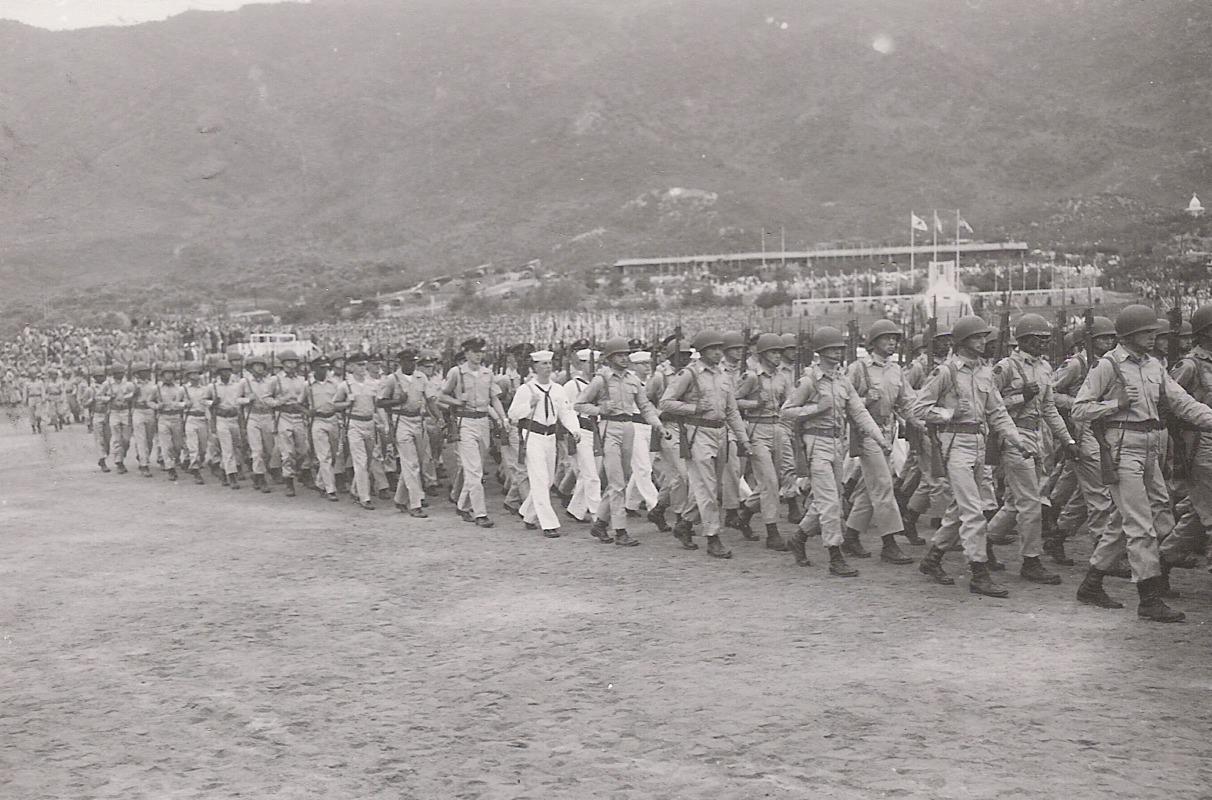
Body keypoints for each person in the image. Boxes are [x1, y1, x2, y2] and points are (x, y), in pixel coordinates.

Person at [1072, 304, 1212, 622]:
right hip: (1123, 450)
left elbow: (1183, 403)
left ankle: (1091, 583)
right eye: (1148, 332)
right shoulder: (1108, 366)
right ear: (1131, 335)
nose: (1154, 337)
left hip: (1150, 450)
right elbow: (1079, 409)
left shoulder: (1154, 366)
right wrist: (1113, 405)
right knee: (1141, 525)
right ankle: (1148, 598)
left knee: (1127, 522)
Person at [913, 315, 1035, 597]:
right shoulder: (946, 372)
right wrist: (946, 414)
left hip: (979, 443)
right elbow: (919, 409)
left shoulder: (985, 372)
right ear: (963, 342)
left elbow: (998, 412)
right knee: (973, 511)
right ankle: (978, 572)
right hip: (955, 443)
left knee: (960, 509)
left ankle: (932, 559)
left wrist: (1018, 442)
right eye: (977, 337)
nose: (984, 341)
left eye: (983, 336)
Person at [782, 326, 888, 577]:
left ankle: (799, 537)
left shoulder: (842, 380)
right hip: (816, 443)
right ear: (819, 352)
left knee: (829, 498)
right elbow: (786, 411)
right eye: (830, 349)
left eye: (839, 349)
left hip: (836, 444)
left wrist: (879, 438)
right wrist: (815, 409)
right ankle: (835, 554)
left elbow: (859, 412)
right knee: (830, 503)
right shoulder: (808, 381)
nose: (836, 353)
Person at [986, 313, 1079, 585]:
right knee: (1031, 502)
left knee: (1018, 502)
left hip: (1039, 436)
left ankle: (985, 541)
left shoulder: (1045, 368)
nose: (1044, 344)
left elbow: (1049, 409)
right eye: (1039, 340)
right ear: (1023, 340)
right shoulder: (1006, 367)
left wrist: (1067, 441)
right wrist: (1020, 397)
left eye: (1046, 340)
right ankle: (1031, 560)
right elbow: (992, 405)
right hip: (1013, 435)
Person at [659, 330, 747, 558]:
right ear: (702, 351)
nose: (718, 353)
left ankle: (685, 524)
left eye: (720, 348)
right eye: (712, 349)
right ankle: (712, 536)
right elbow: (666, 402)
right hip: (697, 432)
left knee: (713, 487)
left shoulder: (723, 375)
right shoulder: (689, 374)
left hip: (721, 433)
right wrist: (693, 408)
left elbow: (732, 411)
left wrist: (743, 438)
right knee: (706, 487)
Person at [843, 319, 919, 565]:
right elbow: (842, 401)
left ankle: (851, 535)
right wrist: (865, 399)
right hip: (866, 433)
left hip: (888, 430)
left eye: (895, 339)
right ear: (873, 342)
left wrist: (921, 422)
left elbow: (907, 402)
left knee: (869, 488)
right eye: (887, 338)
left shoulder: (896, 370)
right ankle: (889, 543)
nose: (892, 342)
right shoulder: (858, 369)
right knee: (884, 485)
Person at [581, 337, 669, 547]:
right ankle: (620, 530)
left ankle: (600, 523)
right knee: (617, 481)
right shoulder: (601, 380)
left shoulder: (632, 380)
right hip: (609, 427)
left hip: (629, 427)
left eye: (626, 354)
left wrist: (658, 425)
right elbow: (580, 404)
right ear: (610, 358)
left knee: (621, 479)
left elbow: (645, 406)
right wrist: (601, 409)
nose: (624, 358)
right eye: (619, 355)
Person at [508, 349, 583, 537]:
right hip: (533, 435)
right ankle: (548, 524)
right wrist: (529, 406)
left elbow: (566, 412)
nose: (547, 367)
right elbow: (513, 415)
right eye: (543, 364)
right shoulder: (526, 390)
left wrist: (574, 429)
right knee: (540, 479)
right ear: (534, 367)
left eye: (549, 363)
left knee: (548, 479)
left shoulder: (557, 389)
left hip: (550, 437)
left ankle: (527, 513)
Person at [440, 337, 506, 528]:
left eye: (481, 351)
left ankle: (462, 505)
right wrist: (457, 402)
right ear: (467, 353)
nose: (479, 355)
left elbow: (495, 399)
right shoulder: (457, 372)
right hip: (465, 421)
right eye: (475, 351)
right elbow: (442, 395)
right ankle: (480, 513)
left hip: (483, 421)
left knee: (475, 468)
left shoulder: (487, 373)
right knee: (475, 470)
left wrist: (503, 419)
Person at [734, 333, 792, 551]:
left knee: (773, 479)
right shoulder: (751, 377)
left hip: (777, 427)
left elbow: (789, 401)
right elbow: (733, 402)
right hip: (757, 427)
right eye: (773, 352)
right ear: (762, 355)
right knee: (769, 481)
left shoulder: (783, 377)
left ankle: (745, 514)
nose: (778, 356)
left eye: (779, 352)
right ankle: (772, 531)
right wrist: (754, 403)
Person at [378, 348, 442, 517]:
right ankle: (415, 503)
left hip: (418, 421)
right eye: (409, 361)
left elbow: (430, 400)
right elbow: (380, 402)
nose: (412, 364)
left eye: (414, 361)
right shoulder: (392, 379)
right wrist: (397, 401)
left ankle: (400, 499)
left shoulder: (421, 377)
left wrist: (438, 417)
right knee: (411, 463)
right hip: (401, 421)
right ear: (401, 363)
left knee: (416, 463)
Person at [333, 353, 382, 510]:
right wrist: (347, 403)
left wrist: (382, 423)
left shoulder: (372, 384)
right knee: (360, 462)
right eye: (359, 365)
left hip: (369, 423)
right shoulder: (345, 385)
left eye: (364, 365)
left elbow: (377, 406)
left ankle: (355, 490)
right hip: (354, 423)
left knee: (367, 461)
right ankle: (364, 497)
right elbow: (335, 405)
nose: (362, 368)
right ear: (351, 367)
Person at [269, 350, 310, 497]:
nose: (292, 365)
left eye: (294, 362)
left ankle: (302, 473)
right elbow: (266, 398)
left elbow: (307, 397)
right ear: (283, 364)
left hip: (299, 416)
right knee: (287, 452)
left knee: (303, 449)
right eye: (288, 362)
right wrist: (278, 402)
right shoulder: (276, 380)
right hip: (284, 415)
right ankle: (289, 481)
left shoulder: (302, 380)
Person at [203, 359, 247, 489]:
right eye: (223, 371)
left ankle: (223, 471)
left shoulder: (237, 385)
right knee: (227, 448)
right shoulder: (214, 386)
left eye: (227, 371)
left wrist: (245, 401)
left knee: (236, 446)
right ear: (218, 373)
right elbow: (204, 400)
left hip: (234, 417)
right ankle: (232, 476)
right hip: (221, 418)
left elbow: (242, 398)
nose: (225, 374)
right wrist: (212, 403)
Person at [304, 356, 342, 502]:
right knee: (324, 455)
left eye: (326, 367)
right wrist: (307, 412)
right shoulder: (307, 385)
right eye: (321, 367)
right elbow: (299, 403)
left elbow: (340, 400)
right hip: (318, 420)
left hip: (333, 419)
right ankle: (330, 489)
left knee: (333, 454)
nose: (324, 370)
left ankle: (321, 483)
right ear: (314, 369)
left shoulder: (335, 383)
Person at [238, 355, 278, 493]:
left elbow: (275, 396)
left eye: (261, 365)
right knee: (257, 450)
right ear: (250, 368)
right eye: (256, 365)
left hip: (267, 415)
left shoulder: (270, 381)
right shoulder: (245, 382)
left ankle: (258, 473)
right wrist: (247, 400)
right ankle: (261, 478)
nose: (259, 368)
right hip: (252, 416)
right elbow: (236, 400)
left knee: (270, 449)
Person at [148, 362, 187, 481]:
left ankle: (175, 459)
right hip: (163, 418)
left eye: (171, 373)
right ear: (162, 375)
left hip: (176, 417)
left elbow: (185, 402)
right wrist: (156, 406)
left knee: (177, 445)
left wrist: (181, 405)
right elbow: (149, 402)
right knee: (166, 445)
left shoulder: (180, 388)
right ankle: (170, 468)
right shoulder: (157, 388)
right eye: (166, 373)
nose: (169, 376)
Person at [181, 362, 210, 484]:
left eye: (197, 373)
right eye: (192, 374)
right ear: (188, 376)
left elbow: (209, 402)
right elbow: (176, 403)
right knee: (193, 447)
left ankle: (194, 462)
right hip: (190, 418)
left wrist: (211, 402)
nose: (195, 376)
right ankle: (195, 469)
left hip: (202, 419)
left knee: (203, 448)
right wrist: (184, 404)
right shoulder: (183, 389)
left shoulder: (205, 389)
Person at [104, 364, 134, 474]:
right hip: (114, 411)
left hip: (125, 411)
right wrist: (108, 398)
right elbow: (98, 396)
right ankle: (118, 461)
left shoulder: (129, 384)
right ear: (113, 374)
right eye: (117, 373)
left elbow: (134, 396)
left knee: (126, 439)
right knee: (116, 438)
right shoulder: (107, 384)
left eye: (122, 372)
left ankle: (121, 454)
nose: (120, 375)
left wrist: (129, 397)